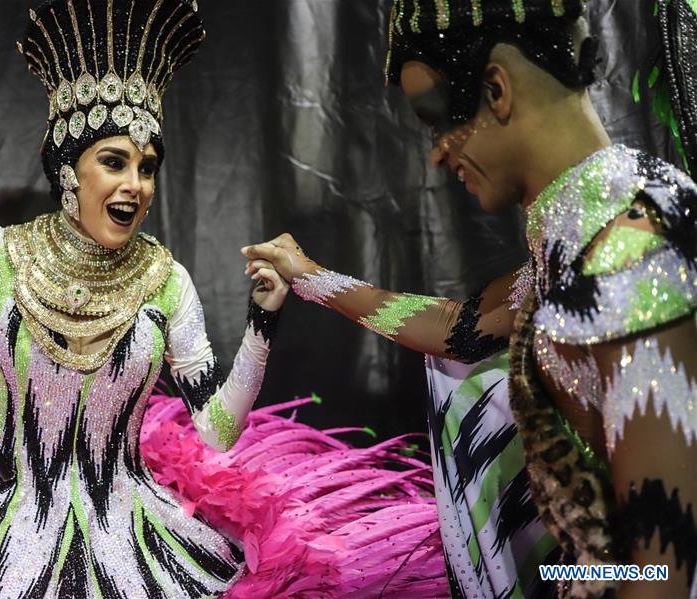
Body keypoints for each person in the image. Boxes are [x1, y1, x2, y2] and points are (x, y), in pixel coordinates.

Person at [0, 1, 449, 597]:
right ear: (65, 168)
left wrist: (262, 323)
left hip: (133, 545)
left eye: (147, 166)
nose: (134, 185)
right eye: (113, 161)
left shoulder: (167, 281)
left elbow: (215, 432)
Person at [243, 1, 697, 597]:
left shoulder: (635, 246)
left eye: (436, 117)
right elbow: (460, 329)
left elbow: (661, 572)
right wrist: (312, 277)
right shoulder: (579, 228)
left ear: (497, 89)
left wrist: (554, 580)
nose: (436, 152)